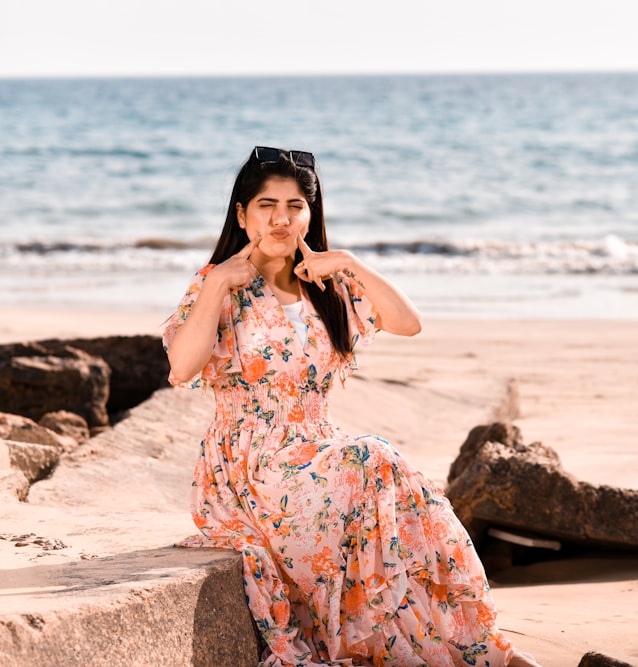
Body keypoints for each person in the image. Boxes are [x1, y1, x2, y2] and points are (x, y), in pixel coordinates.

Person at [164, 147, 540, 667]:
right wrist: (218, 284)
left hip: (318, 453)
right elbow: (182, 367)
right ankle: (476, 654)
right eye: (266, 205)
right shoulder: (219, 285)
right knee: (375, 460)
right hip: (249, 468)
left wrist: (348, 262)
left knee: (392, 493)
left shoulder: (327, 284)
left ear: (312, 214)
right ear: (241, 214)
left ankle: (479, 647)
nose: (281, 218)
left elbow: (408, 322)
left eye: (296, 206)